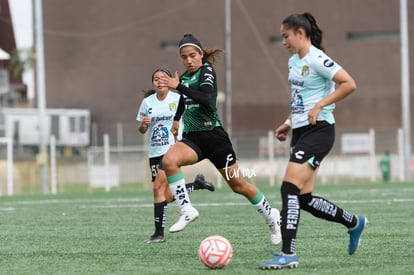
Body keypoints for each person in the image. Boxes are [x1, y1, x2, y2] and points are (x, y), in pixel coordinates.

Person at [259, 13, 367, 270]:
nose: (283, 41)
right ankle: (353, 223)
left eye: (285, 36)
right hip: (300, 131)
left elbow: (349, 84)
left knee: (288, 188)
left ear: (300, 33)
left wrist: (321, 105)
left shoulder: (318, 58)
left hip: (319, 131)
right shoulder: (293, 62)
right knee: (303, 197)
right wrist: (288, 122)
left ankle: (288, 254)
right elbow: (301, 97)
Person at [159, 34, 281, 246]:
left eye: (192, 55)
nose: (188, 60)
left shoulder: (207, 71)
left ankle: (272, 216)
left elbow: (206, 99)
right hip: (193, 140)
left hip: (215, 139)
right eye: (184, 57)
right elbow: (184, 100)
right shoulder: (185, 78)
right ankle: (187, 210)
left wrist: (178, 86)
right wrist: (177, 120)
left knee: (239, 184)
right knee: (169, 160)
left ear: (201, 54)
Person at [137, 68, 215, 244]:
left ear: (170, 80)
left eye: (163, 78)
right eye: (155, 79)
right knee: (168, 196)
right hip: (155, 152)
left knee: (157, 189)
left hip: (172, 150)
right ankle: (196, 185)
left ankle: (158, 234)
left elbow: (193, 110)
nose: (159, 81)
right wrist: (143, 125)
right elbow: (141, 130)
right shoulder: (147, 103)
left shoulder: (178, 98)